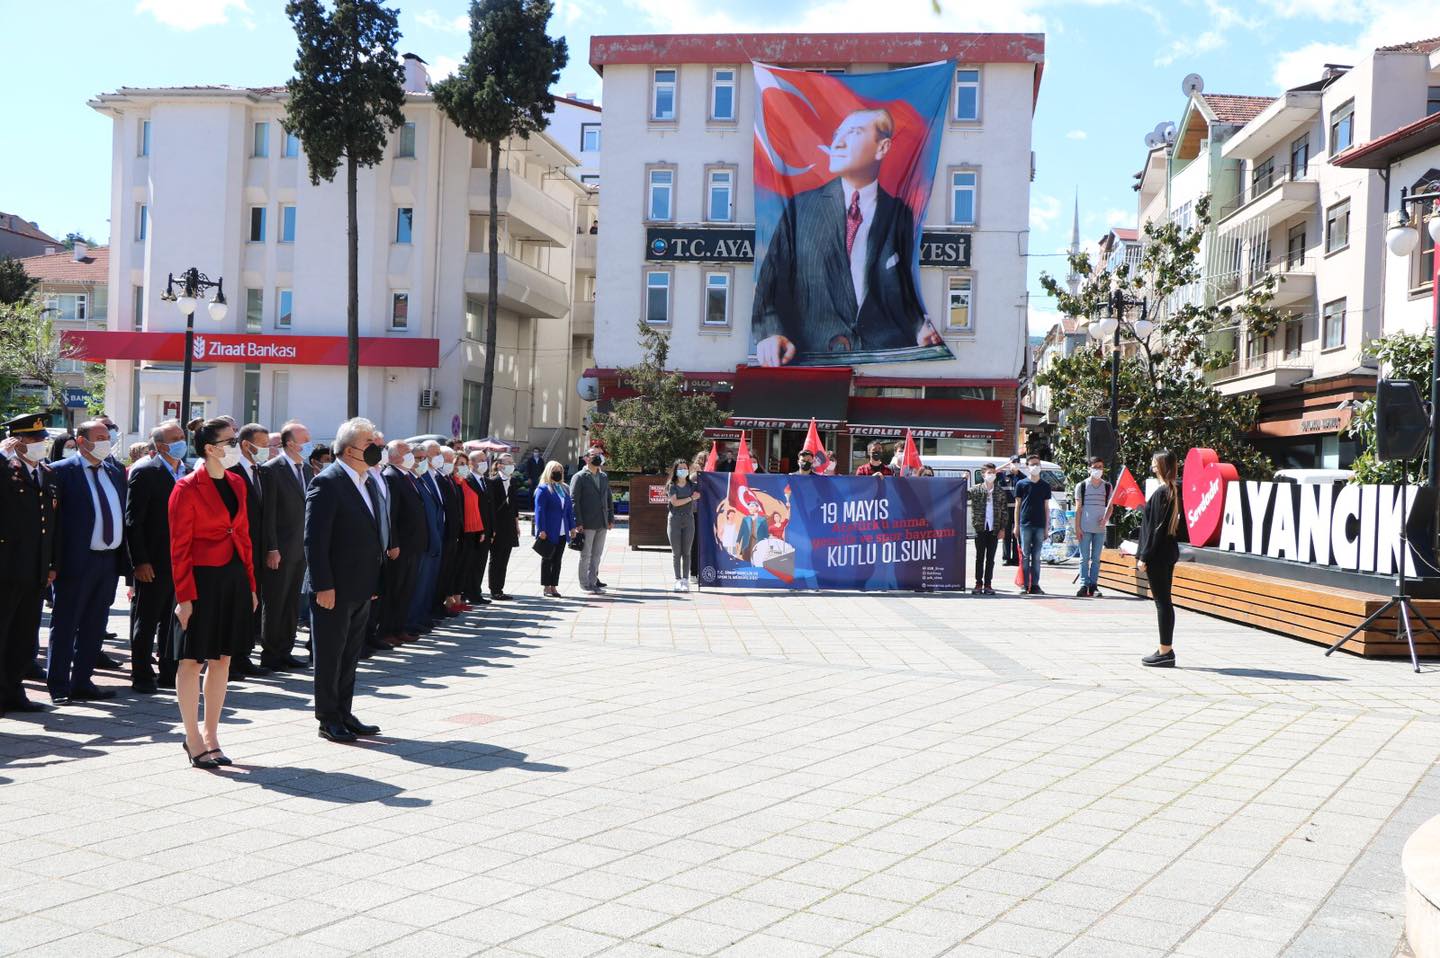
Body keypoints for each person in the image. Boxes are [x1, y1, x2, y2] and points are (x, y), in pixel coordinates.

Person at [753, 108, 942, 366]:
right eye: (836, 134)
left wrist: (919, 327)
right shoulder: (801, 209)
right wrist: (771, 333)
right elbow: (771, 283)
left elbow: (901, 291)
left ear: (882, 148)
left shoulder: (900, 214)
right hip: (812, 359)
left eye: (853, 133)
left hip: (884, 362)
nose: (837, 143)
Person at [169, 418, 257, 768]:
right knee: (192, 661)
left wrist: (250, 584)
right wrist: (184, 597)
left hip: (233, 577)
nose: (236, 445)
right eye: (230, 440)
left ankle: (212, 735)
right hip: (201, 580)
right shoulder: (187, 488)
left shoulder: (237, 482)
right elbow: (179, 547)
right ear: (210, 448)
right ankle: (191, 737)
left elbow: (245, 536)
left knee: (223, 659)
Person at [304, 417, 386, 743]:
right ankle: (328, 718)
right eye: (369, 443)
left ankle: (344, 711)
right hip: (333, 589)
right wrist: (323, 585)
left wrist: (373, 583)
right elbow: (314, 540)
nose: (375, 448)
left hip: (359, 586)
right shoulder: (328, 482)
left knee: (351, 654)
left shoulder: (364, 480)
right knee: (329, 656)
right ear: (350, 449)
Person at [47, 419, 128, 704]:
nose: (107, 441)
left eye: (108, 436)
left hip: (107, 562)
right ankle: (58, 685)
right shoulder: (60, 472)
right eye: (100, 436)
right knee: (66, 623)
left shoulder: (115, 471)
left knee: (96, 624)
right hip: (75, 561)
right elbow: (53, 523)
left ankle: (83, 681)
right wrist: (52, 563)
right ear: (81, 442)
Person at [0, 415, 58, 715]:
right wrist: (1, 457)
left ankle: (13, 692)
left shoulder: (46, 473)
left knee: (24, 637)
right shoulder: (5, 469)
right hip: (7, 569)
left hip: (35, 570)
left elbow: (51, 524)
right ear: (17, 441)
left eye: (41, 439)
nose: (40, 444)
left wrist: (51, 564)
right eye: (34, 439)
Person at [125, 419, 187, 693]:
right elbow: (133, 521)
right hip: (153, 560)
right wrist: (140, 561)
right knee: (147, 619)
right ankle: (141, 674)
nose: (182, 441)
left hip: (180, 559)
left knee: (173, 618)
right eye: (176, 438)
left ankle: (168, 671)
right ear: (161, 445)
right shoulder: (146, 472)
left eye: (182, 436)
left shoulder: (186, 471)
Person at [258, 421, 313, 670]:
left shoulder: (307, 469)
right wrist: (272, 547)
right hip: (280, 549)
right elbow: (267, 514)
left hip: (300, 548)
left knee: (292, 601)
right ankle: (271, 653)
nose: (308, 443)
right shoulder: (272, 469)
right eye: (305, 439)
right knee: (276, 601)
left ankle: (286, 650)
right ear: (290, 443)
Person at [228, 422, 271, 677]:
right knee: (237, 605)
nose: (266, 451)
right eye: (262, 446)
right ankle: (231, 658)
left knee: (252, 604)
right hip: (237, 550)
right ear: (246, 445)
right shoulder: (232, 471)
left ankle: (244, 655)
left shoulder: (261, 472)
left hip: (258, 550)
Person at [1138, 450, 1183, 668]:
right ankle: (1165, 648)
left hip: (1157, 555)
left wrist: (1144, 556)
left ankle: (1166, 651)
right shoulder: (1173, 491)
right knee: (1165, 602)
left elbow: (1155, 529)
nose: (1152, 466)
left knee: (1162, 603)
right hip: (1168, 553)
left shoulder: (1162, 493)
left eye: (1155, 463)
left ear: (1162, 466)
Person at [380, 440, 425, 647]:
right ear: (394, 455)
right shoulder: (391, 476)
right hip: (400, 546)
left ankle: (399, 628)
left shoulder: (406, 476)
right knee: (394, 590)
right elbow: (391, 515)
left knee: (406, 589)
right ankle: (387, 630)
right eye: (406, 452)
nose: (411, 456)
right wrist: (393, 543)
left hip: (413, 545)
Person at [406, 441, 447, 636]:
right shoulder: (410, 479)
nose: (423, 461)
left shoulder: (423, 478)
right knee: (417, 585)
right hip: (419, 542)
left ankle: (420, 617)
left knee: (426, 584)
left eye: (424, 458)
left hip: (433, 538)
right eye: (419, 458)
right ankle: (411, 620)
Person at [570, 450, 614, 594]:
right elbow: (574, 501)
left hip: (602, 522)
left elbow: (608, 498)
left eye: (599, 455)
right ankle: (584, 584)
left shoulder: (603, 476)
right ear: (586, 458)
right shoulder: (579, 477)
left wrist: (610, 518)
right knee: (586, 555)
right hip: (587, 523)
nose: (598, 457)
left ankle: (593, 582)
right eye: (594, 455)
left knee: (597, 555)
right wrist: (578, 522)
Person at [533, 460, 576, 598]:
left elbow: (569, 510)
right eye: (555, 470)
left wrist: (572, 527)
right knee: (547, 558)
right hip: (549, 530)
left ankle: (554, 586)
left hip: (563, 530)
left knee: (557, 560)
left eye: (560, 470)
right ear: (549, 472)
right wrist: (541, 530)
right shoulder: (543, 489)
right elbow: (540, 511)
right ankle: (546, 586)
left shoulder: (564, 488)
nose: (558, 473)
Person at [1074, 457, 1114, 598]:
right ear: (1089, 468)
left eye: (1100, 467)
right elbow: (1078, 509)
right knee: (1084, 558)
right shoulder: (1082, 486)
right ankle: (1083, 585)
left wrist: (1105, 519)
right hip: (1085, 527)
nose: (1098, 469)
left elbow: (1110, 507)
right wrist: (1077, 527)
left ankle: (1094, 585)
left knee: (1096, 558)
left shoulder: (1108, 486)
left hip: (1099, 529)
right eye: (1095, 466)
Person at [434, 445, 467, 617]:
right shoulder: (439, 479)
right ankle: (437, 606)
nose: (447, 463)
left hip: (453, 534)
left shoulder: (447, 479)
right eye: (446, 460)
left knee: (447, 571)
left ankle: (441, 605)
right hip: (444, 534)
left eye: (448, 460)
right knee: (440, 573)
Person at [1013, 455, 1052, 595]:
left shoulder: (1045, 485)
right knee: (1025, 555)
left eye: (1037, 464)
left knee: (1036, 556)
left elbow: (1046, 507)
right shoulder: (1021, 484)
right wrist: (1016, 525)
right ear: (1027, 466)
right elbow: (1017, 505)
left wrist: (1047, 527)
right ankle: (1024, 584)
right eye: (1032, 464)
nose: (1035, 466)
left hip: (1040, 525)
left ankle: (1035, 585)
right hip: (1025, 524)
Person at [453, 453, 487, 612]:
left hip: (471, 530)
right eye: (460, 463)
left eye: (465, 463)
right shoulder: (453, 483)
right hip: (460, 531)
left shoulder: (465, 482)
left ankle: (458, 599)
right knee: (457, 566)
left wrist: (480, 529)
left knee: (465, 566)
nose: (463, 467)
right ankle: (451, 600)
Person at [486, 453, 523, 599]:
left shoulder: (512, 481)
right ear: (500, 464)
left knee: (504, 558)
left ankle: (500, 588)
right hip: (498, 525)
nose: (511, 465)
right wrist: (492, 528)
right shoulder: (493, 482)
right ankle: (494, 589)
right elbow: (492, 507)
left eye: (512, 462)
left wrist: (517, 524)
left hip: (509, 525)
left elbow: (514, 506)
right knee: (496, 558)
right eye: (508, 462)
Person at [969, 462, 1009, 595]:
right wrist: (963, 480)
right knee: (979, 557)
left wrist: (1003, 529)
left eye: (993, 473)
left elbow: (1004, 511)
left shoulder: (1000, 492)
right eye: (989, 473)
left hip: (994, 528)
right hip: (980, 527)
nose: (991, 475)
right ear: (983, 475)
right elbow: (962, 494)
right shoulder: (976, 490)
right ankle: (978, 583)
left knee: (990, 558)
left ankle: (988, 584)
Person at [666, 459, 698, 592]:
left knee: (687, 552)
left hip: (689, 521)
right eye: (680, 468)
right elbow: (675, 503)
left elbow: (704, 489)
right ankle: (678, 580)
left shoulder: (692, 485)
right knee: (676, 553)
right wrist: (691, 498)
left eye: (685, 468)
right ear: (675, 470)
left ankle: (685, 580)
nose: (683, 470)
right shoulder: (671, 485)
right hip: (675, 521)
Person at [998, 457, 1022, 566]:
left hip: (1018, 509)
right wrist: (1006, 465)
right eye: (1014, 462)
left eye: (1018, 462)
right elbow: (994, 471)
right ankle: (1006, 557)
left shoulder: (1022, 477)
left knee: (1017, 534)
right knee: (1006, 534)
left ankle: (1017, 558)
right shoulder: (1003, 476)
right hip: (1006, 509)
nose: (1016, 464)